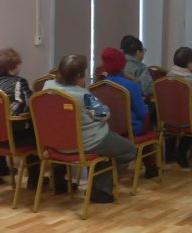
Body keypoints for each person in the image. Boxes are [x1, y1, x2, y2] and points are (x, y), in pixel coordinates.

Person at [43, 54, 137, 203]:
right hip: (87, 141)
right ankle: (100, 189)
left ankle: (92, 184)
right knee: (129, 150)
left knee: (107, 149)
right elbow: (104, 115)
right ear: (79, 76)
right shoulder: (83, 95)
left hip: (55, 143)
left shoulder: (47, 87)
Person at [0, 47, 41, 188]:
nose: (20, 65)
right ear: (10, 69)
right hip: (12, 138)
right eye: (18, 64)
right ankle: (36, 179)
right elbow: (32, 105)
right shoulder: (19, 83)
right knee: (40, 134)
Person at [101, 47, 155, 179]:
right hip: (128, 128)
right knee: (148, 124)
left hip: (106, 128)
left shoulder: (98, 86)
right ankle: (151, 167)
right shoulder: (132, 86)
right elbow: (142, 113)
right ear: (122, 64)